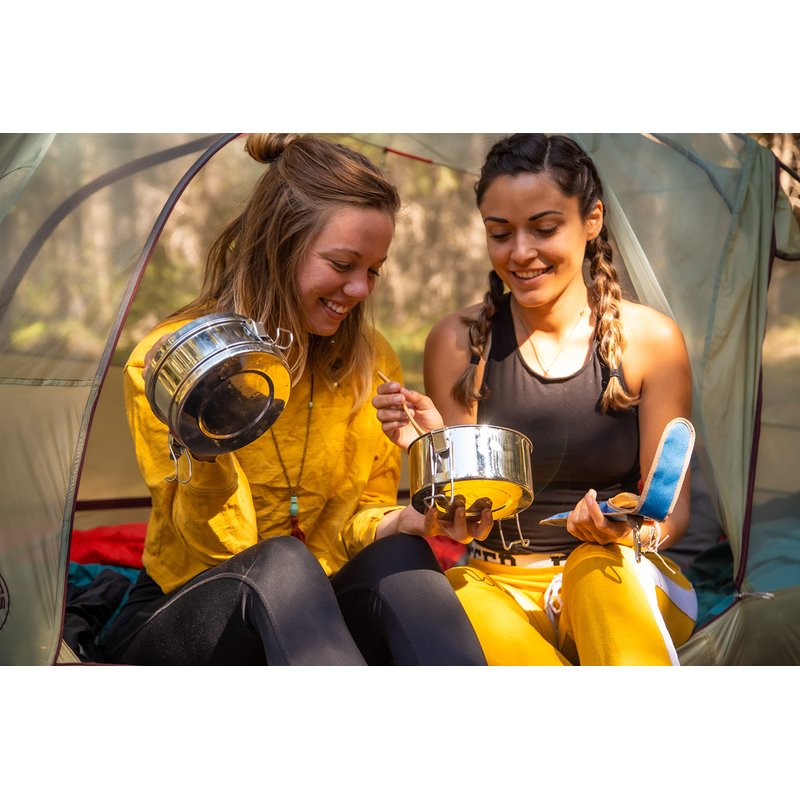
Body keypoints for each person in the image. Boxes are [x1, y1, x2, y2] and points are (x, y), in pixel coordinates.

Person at [103, 133, 491, 666]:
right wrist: (206, 436)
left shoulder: (369, 362)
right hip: (194, 610)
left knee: (404, 554)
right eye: (342, 264)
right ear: (279, 246)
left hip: (315, 619)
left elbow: (355, 523)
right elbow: (219, 549)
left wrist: (407, 514)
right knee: (284, 563)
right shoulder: (173, 359)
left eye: (373, 270)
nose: (361, 290)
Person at [374, 133, 698, 666]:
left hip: (621, 571)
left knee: (595, 576)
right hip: (499, 579)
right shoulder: (458, 344)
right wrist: (435, 452)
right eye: (500, 233)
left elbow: (672, 513)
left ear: (592, 220)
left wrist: (625, 530)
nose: (521, 253)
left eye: (545, 229)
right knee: (459, 598)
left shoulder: (651, 341)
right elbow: (464, 519)